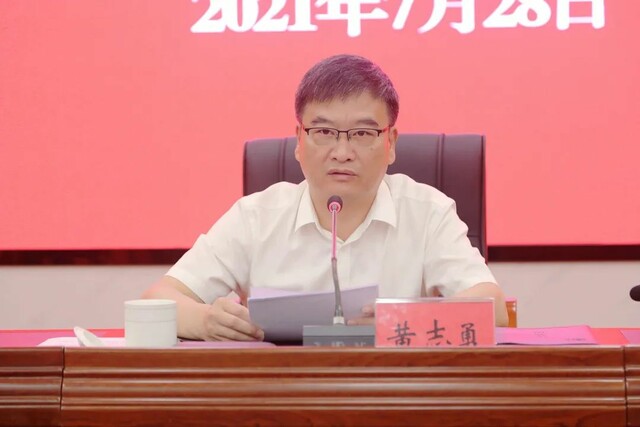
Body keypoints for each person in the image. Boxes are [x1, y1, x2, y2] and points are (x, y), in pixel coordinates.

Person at [142, 54, 508, 341]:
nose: (342, 152)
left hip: (397, 392)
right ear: (299, 141)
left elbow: (492, 308)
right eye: (324, 132)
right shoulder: (255, 217)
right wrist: (206, 321)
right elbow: (156, 300)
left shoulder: (428, 213)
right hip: (282, 394)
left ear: (391, 143)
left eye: (362, 133)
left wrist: (397, 320)